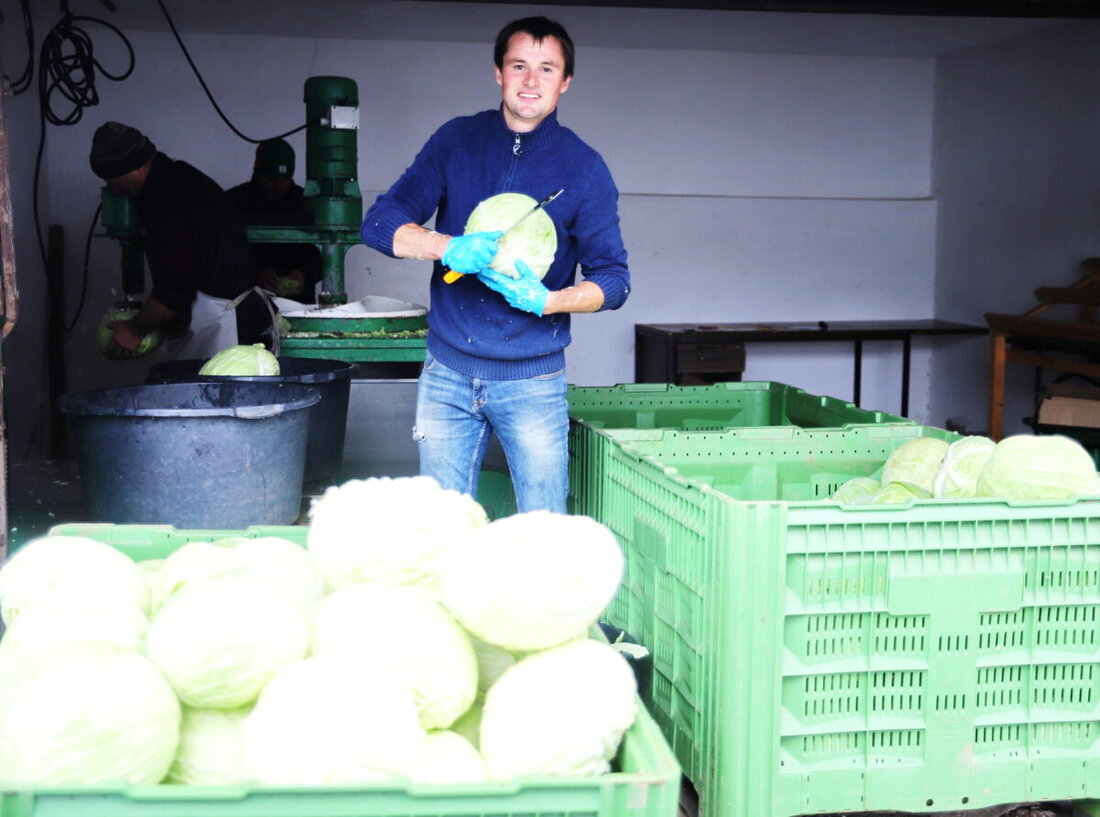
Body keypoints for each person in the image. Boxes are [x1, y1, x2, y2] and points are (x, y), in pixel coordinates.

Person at [360, 15, 630, 513]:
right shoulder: (456, 141)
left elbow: (613, 281)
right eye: (519, 66)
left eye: (547, 70)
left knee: (542, 530)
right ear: (498, 73)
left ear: (565, 82)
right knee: (440, 531)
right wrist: (446, 246)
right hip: (447, 371)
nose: (531, 81)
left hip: (533, 380)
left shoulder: (584, 168)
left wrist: (550, 301)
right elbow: (380, 222)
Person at [89, 122, 272, 360]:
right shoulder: (177, 178)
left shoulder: (168, 200)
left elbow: (174, 291)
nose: (113, 190)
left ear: (136, 167)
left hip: (225, 325)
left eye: (113, 180)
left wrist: (134, 330)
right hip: (219, 316)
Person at [226, 138, 322, 301]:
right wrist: (255, 273)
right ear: (257, 172)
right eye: (271, 179)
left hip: (297, 305)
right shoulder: (233, 203)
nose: (277, 187)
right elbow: (222, 256)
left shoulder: (308, 204)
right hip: (246, 303)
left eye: (284, 180)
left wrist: (306, 274)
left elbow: (324, 255)